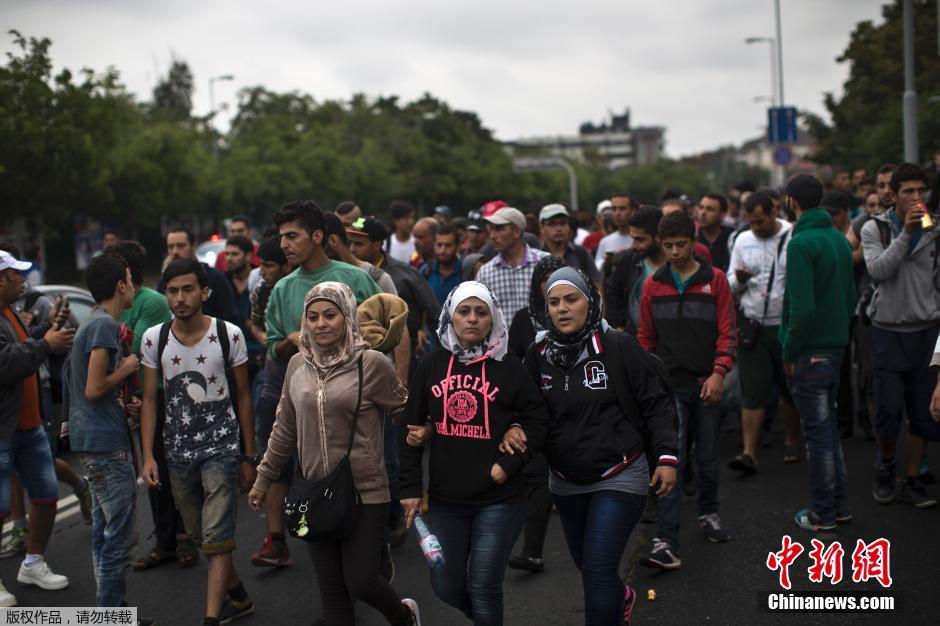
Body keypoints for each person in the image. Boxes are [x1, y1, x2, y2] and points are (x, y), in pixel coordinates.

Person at [249, 282, 419, 626]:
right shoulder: (297, 365)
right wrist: (263, 479)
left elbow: (407, 413)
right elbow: (284, 428)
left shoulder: (370, 363)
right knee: (332, 593)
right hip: (314, 494)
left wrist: (421, 460)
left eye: (330, 315)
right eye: (312, 317)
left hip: (365, 492)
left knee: (362, 581)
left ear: (348, 318)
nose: (320, 323)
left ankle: (403, 616)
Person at [521, 267, 677, 625]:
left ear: (590, 301)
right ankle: (621, 596)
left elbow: (656, 403)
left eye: (571, 300)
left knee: (598, 570)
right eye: (554, 301)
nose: (562, 308)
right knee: (588, 565)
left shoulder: (619, 347)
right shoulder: (538, 353)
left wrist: (667, 458)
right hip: (565, 479)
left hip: (619, 472)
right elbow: (528, 411)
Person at [399, 281, 549, 626]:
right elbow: (407, 430)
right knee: (445, 585)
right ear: (450, 317)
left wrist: (509, 464)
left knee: (483, 587)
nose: (472, 319)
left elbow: (538, 422)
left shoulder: (509, 366)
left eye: (481, 312)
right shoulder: (432, 365)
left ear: (493, 318)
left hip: (500, 498)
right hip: (445, 501)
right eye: (463, 311)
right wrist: (409, 490)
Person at [140, 259, 257, 625]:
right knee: (200, 536)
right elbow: (148, 400)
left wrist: (248, 456)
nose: (180, 298)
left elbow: (242, 395)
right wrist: (148, 456)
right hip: (176, 453)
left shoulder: (229, 334)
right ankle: (236, 594)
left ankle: (210, 617)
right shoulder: (153, 338)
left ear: (204, 292)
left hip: (221, 447)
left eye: (188, 289)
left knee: (217, 534)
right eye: (172, 291)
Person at [638, 210, 736, 569]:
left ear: (693, 242)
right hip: (668, 388)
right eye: (668, 246)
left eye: (681, 245)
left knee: (709, 458)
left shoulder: (717, 281)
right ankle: (667, 539)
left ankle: (709, 513)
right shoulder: (653, 284)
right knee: (670, 460)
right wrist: (649, 379)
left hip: (705, 383)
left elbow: (728, 332)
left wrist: (719, 372)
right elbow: (645, 337)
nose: (675, 252)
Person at [102, 241, 193, 571]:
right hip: (134, 400)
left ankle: (187, 538)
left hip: (162, 396)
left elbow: (137, 349)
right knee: (155, 474)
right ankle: (166, 542)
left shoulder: (151, 302)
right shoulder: (112, 305)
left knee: (177, 468)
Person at [779, 174, 857, 531]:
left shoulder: (801, 244)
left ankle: (822, 513)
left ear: (792, 201)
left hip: (810, 352)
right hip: (837, 346)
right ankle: (838, 507)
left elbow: (802, 308)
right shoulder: (840, 240)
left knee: (817, 436)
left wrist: (791, 351)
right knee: (828, 432)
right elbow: (851, 298)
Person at [861, 162, 940, 508]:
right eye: (908, 191)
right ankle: (887, 463)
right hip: (887, 331)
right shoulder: (874, 229)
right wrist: (906, 234)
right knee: (889, 411)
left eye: (920, 191)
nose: (916, 198)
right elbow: (878, 270)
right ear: (893, 194)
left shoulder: (935, 230)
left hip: (926, 329)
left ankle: (911, 479)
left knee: (921, 414)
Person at [0, 249, 75, 607]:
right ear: (0, 279)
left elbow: (24, 342)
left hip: (28, 427)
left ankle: (33, 563)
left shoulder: (10, 312)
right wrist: (47, 344)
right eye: (16, 274)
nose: (22, 280)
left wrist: (49, 327)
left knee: (45, 497)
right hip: (3, 430)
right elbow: (7, 362)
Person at [67, 253, 142, 608]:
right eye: (130, 278)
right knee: (119, 537)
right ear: (120, 286)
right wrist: (127, 369)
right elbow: (94, 388)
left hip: (93, 438)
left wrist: (122, 401)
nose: (134, 286)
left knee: (103, 530)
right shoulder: (104, 326)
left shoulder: (93, 323)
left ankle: (110, 610)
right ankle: (110, 612)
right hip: (105, 443)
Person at [726, 193, 800, 474]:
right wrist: (739, 280)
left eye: (760, 221)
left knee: (789, 388)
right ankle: (748, 452)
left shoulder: (793, 236)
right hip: (753, 325)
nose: (756, 227)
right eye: (751, 222)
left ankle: (792, 440)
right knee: (753, 391)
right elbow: (729, 281)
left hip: (783, 325)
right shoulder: (743, 240)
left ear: (774, 212)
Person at [266, 200, 381, 369]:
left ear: (317, 236)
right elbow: (273, 351)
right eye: (281, 237)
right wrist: (291, 340)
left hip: (359, 385)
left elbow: (393, 330)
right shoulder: (282, 288)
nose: (283, 245)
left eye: (291, 236)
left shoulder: (357, 278)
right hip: (305, 391)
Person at [246, 235, 295, 568]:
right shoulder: (264, 291)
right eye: (261, 265)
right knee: (275, 461)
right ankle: (276, 540)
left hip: (314, 384)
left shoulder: (308, 287)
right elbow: (257, 325)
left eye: (269, 265)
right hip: (274, 379)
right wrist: (272, 340)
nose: (263, 271)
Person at [347, 217, 441, 369]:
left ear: (377, 245)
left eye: (359, 244)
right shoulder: (347, 273)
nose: (352, 249)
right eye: (350, 242)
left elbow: (434, 313)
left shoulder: (405, 275)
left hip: (406, 361)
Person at [476, 207, 548, 324]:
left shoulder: (544, 263)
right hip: (502, 342)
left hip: (541, 340)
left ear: (516, 232)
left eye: (499, 229)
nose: (492, 236)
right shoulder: (485, 272)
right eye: (492, 230)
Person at [605, 207, 665, 334]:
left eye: (640, 240)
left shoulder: (676, 264)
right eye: (633, 238)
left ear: (658, 237)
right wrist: (617, 325)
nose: (634, 245)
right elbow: (612, 290)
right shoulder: (629, 260)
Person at [157, 226, 236, 323]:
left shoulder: (215, 278)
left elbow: (228, 316)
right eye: (171, 247)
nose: (175, 252)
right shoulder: (164, 280)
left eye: (180, 246)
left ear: (193, 246)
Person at [225, 234, 263, 381]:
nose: (229, 258)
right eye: (227, 254)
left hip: (256, 351)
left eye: (234, 254)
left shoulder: (261, 279)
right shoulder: (221, 282)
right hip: (230, 353)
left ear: (248, 256)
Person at [538, 204, 600, 288]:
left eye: (563, 223)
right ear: (542, 227)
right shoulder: (535, 256)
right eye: (552, 224)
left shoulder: (581, 253)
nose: (559, 228)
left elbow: (596, 285)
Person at [422, 223, 463, 306]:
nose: (442, 250)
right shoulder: (425, 271)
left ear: (457, 246)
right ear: (434, 245)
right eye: (439, 245)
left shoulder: (465, 271)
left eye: (448, 245)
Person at [594, 194, 636, 272]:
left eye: (622, 209)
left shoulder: (640, 239)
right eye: (614, 209)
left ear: (632, 211)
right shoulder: (605, 241)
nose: (617, 213)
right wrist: (607, 262)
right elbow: (597, 269)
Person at [696, 194, 734, 272]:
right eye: (701, 207)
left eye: (710, 209)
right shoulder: (692, 238)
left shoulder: (732, 238)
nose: (703, 213)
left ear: (722, 215)